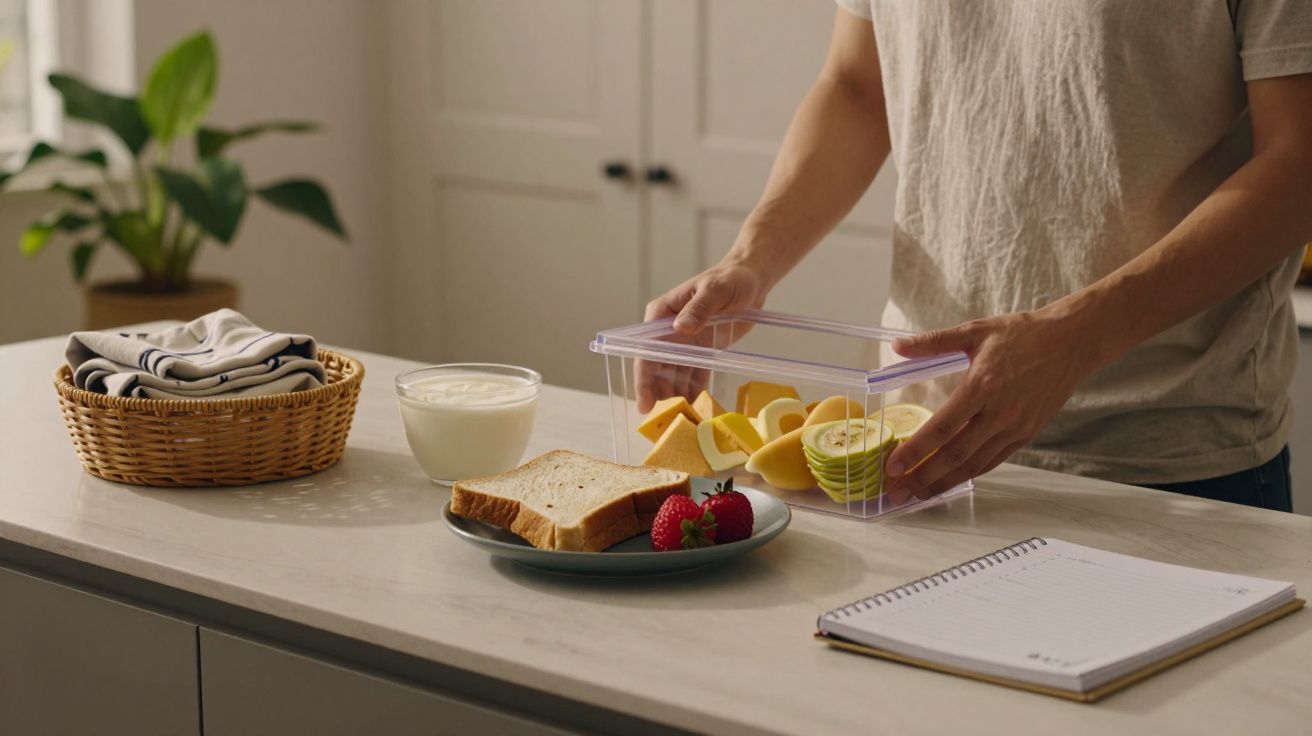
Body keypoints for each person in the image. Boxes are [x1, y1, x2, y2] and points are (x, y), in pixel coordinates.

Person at [643, 1, 1312, 512]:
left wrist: (1077, 337)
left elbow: (1299, 162)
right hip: (911, 444)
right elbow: (856, 85)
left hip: (1166, 461)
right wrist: (751, 260)